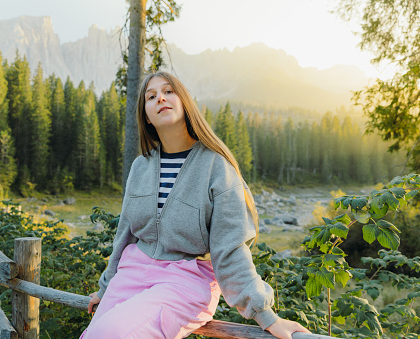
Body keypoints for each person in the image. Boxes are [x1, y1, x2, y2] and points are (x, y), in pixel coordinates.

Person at [80, 71, 310, 339]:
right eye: (151, 97)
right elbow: (124, 235)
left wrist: (266, 315)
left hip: (185, 280)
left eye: (168, 91)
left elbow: (230, 249)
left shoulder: (216, 168)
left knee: (112, 332)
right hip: (131, 274)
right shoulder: (140, 167)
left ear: (185, 101)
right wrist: (106, 288)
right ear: (146, 116)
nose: (160, 99)